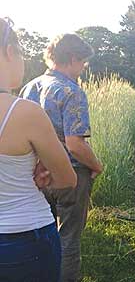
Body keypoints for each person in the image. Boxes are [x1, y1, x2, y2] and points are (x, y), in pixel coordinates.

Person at [20, 33, 103, 282]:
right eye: (83, 62)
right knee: (68, 238)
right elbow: (75, 144)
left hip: (35, 174)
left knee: (43, 235)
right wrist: (97, 166)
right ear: (72, 58)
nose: (84, 68)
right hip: (70, 174)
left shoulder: (29, 87)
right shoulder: (72, 91)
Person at [0, 17, 77, 281]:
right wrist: (42, 172)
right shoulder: (24, 113)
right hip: (24, 238)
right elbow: (67, 179)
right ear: (10, 51)